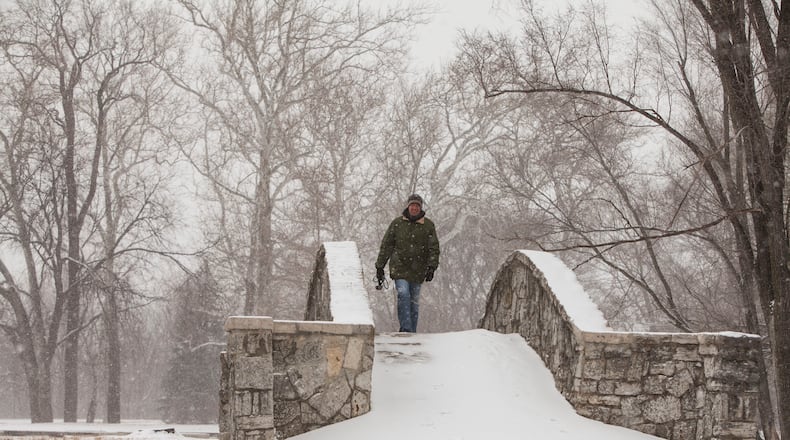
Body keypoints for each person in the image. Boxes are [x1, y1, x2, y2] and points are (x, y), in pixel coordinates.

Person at [375, 194, 440, 333]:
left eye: (417, 206)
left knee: (414, 302)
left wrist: (432, 267)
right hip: (400, 267)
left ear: (420, 207)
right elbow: (387, 245)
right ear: (408, 206)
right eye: (412, 205)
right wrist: (380, 266)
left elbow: (434, 247)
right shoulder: (397, 224)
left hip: (418, 269)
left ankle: (412, 332)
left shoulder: (428, 225)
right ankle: (406, 329)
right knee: (403, 294)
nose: (414, 208)